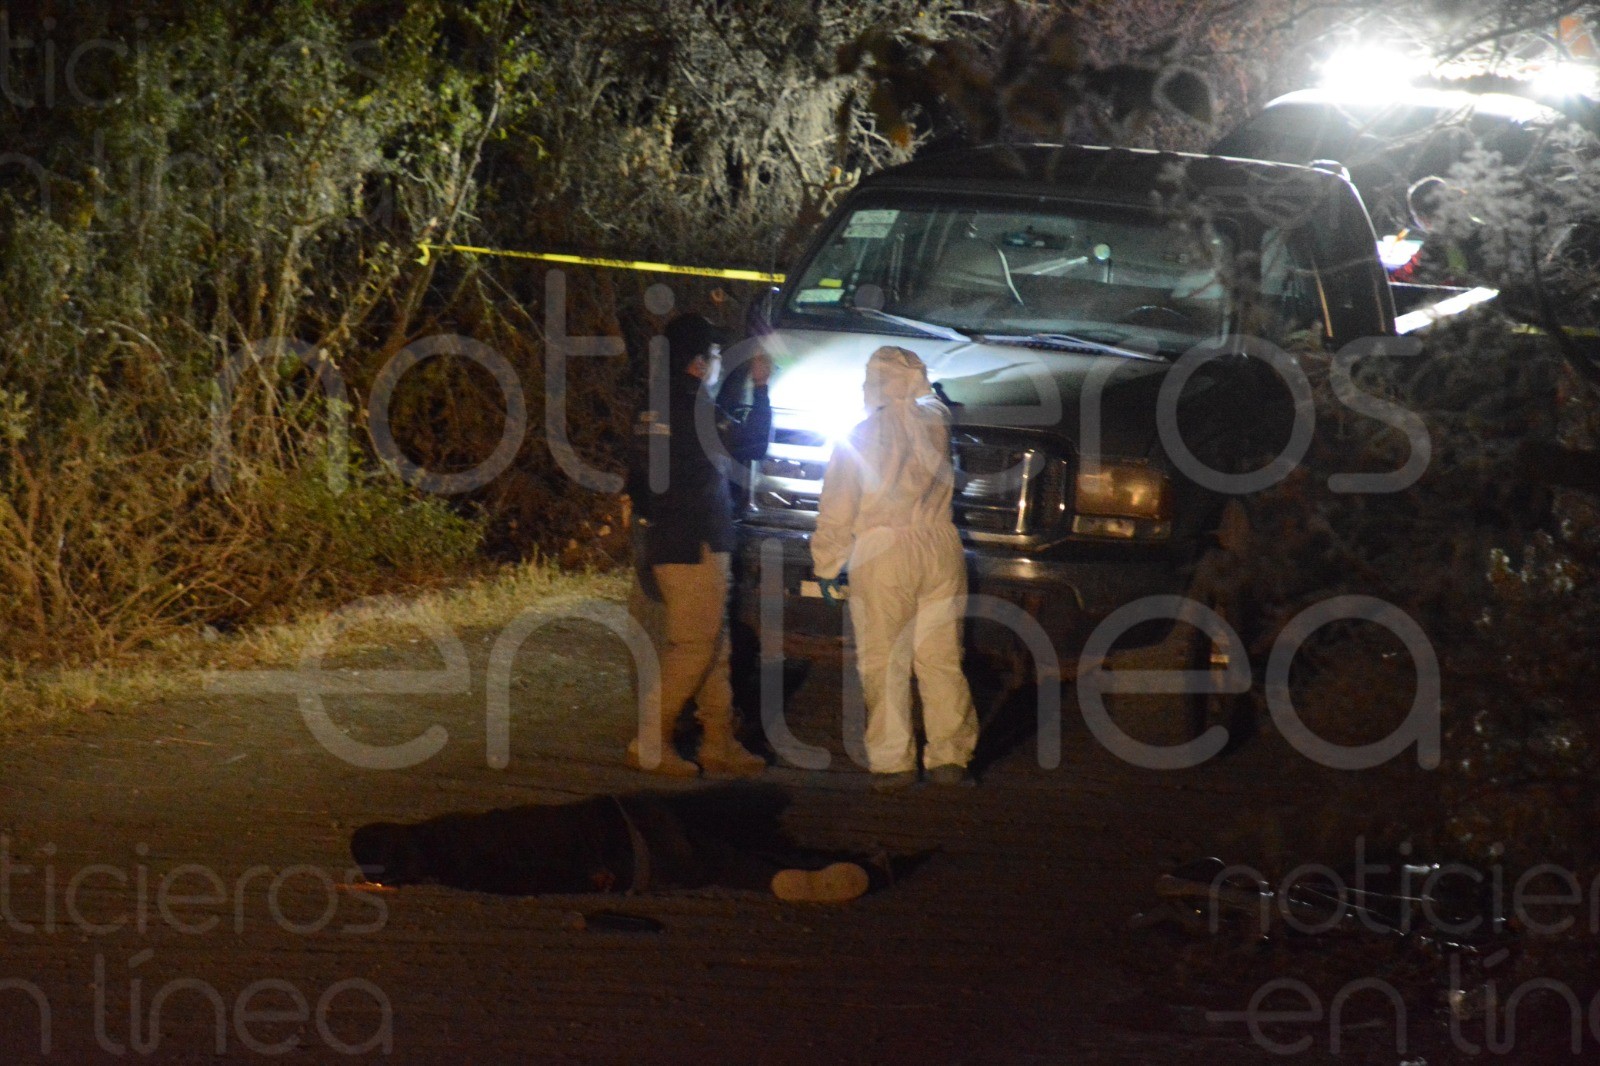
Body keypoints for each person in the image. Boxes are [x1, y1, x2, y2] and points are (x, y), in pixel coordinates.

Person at [810, 346, 979, 791]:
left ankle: (893, 763)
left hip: (882, 553)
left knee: (884, 661)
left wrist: (827, 565)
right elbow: (935, 403)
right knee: (942, 659)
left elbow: (837, 507)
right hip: (941, 549)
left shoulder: (861, 435)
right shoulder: (936, 423)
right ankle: (950, 758)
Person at [625, 312, 772, 777]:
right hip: (697, 542)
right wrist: (761, 387)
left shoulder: (651, 406)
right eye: (713, 354)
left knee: (715, 645)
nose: (716, 362)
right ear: (696, 362)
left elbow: (637, 479)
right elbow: (752, 442)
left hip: (665, 538)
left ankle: (718, 741)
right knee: (694, 645)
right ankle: (650, 741)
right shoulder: (695, 408)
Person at [351, 784, 874, 904]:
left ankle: (788, 879)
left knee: (716, 861)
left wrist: (590, 879)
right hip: (614, 817)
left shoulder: (459, 867)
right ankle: (815, 869)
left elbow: (528, 879)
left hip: (619, 855)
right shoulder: (451, 829)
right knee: (717, 831)